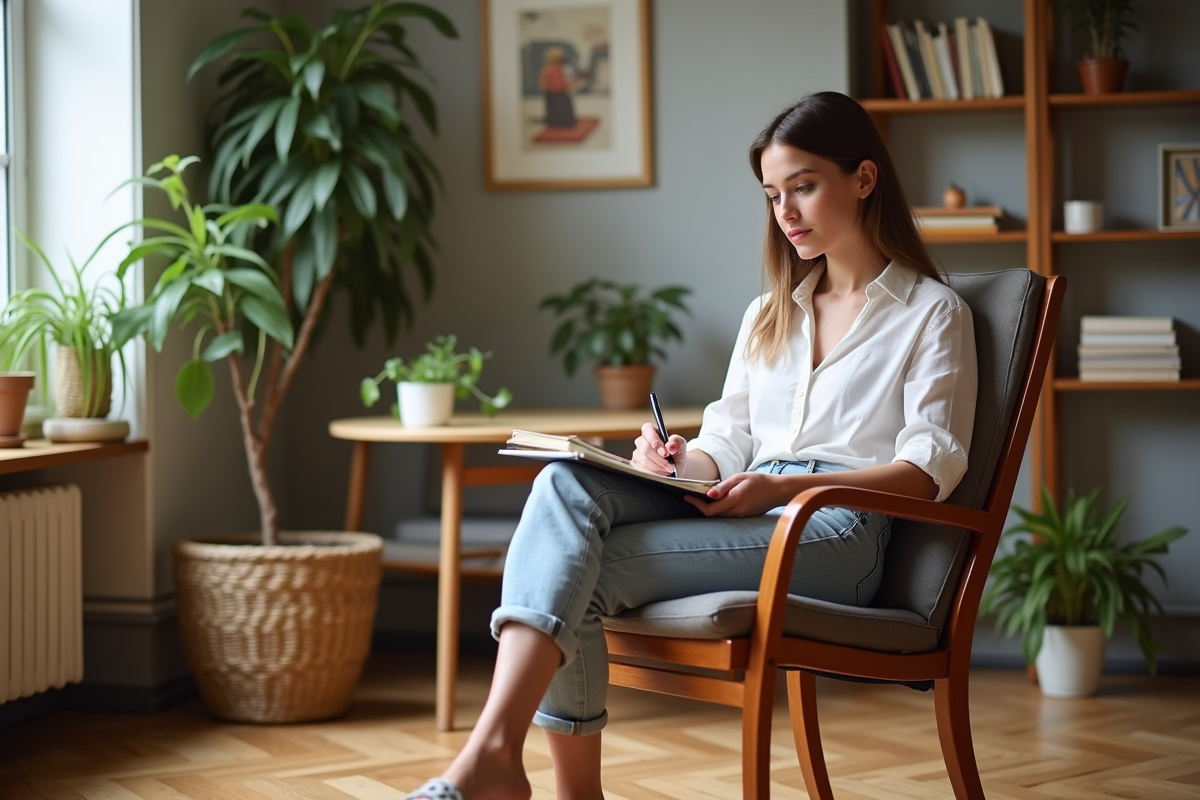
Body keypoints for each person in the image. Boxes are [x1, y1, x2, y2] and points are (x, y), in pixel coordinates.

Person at [405, 90, 978, 800]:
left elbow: (931, 471)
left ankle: (500, 763)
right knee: (562, 487)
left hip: (832, 532)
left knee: (569, 569)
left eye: (803, 186)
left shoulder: (932, 312)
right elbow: (727, 444)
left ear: (863, 179)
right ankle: (508, 763)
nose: (786, 213)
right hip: (749, 509)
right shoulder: (770, 314)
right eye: (773, 195)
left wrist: (782, 489)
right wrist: (678, 463)